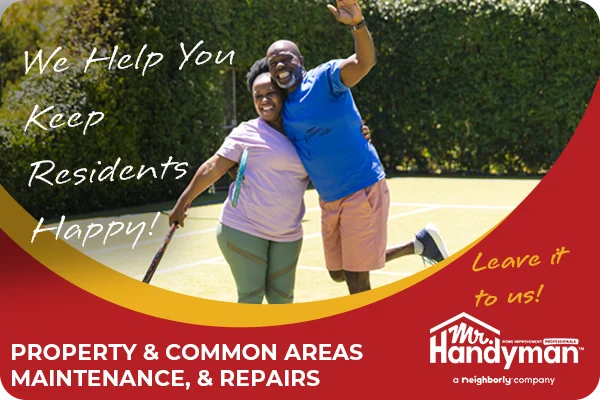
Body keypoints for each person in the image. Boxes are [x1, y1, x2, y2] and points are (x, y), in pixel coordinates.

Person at [266, 0, 449, 295]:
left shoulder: (324, 77)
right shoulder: (283, 110)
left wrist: (357, 25)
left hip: (361, 187)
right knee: (338, 272)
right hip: (329, 199)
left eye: (285, 58)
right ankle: (419, 244)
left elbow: (364, 63)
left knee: (355, 278)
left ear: (301, 60)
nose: (279, 65)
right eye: (273, 63)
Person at [168, 58, 372, 304]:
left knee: (283, 302)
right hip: (242, 228)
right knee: (251, 298)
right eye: (258, 95)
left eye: (270, 93)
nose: (264, 100)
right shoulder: (247, 132)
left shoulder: (305, 131)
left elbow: (335, 148)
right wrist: (182, 203)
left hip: (287, 234)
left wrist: (356, 132)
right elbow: (213, 167)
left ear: (284, 94)